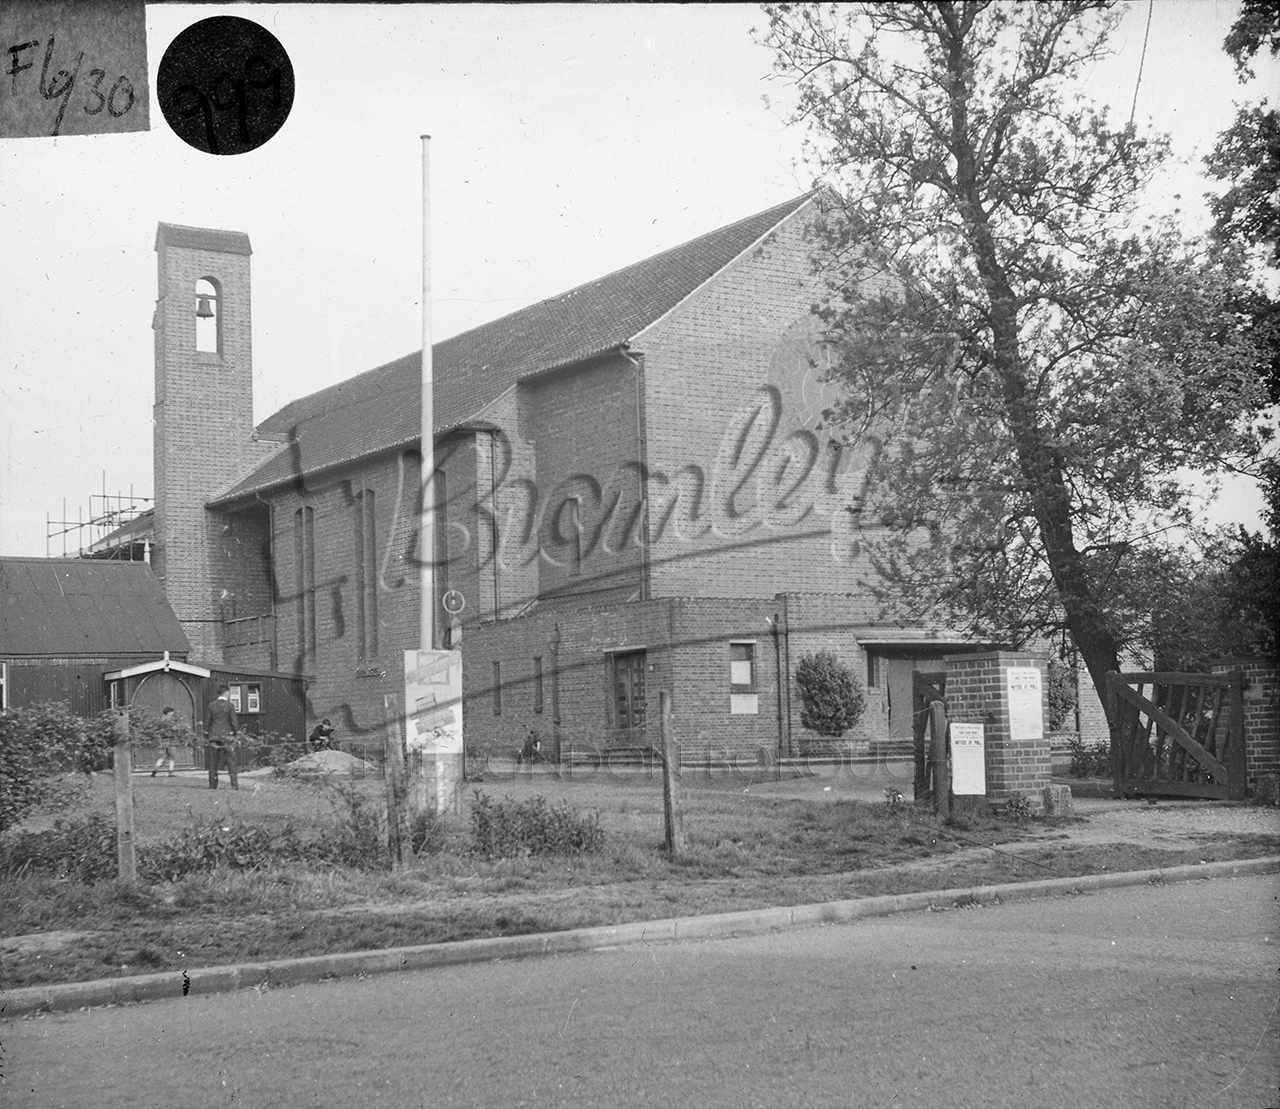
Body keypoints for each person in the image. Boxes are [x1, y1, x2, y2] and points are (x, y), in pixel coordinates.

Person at [204, 684, 239, 790]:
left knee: (213, 762)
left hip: (213, 736)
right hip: (227, 737)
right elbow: (234, 721)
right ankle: (234, 785)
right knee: (231, 761)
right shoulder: (230, 705)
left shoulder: (211, 705)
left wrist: (207, 735)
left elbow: (207, 722)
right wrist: (235, 733)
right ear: (227, 693)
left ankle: (213, 786)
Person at [151, 706, 178, 777]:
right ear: (168, 714)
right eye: (171, 714)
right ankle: (170, 772)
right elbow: (173, 730)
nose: (172, 716)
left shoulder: (160, 721)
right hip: (170, 740)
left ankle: (155, 770)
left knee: (162, 756)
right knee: (172, 756)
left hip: (162, 741)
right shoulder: (169, 722)